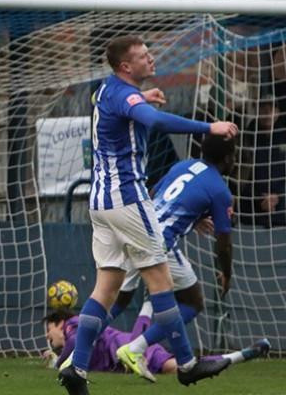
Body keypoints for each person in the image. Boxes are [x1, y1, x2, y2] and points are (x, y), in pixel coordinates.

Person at [59, 35, 238, 395]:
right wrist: (209, 127)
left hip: (100, 202)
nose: (151, 59)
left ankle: (76, 367)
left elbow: (128, 109)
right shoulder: (126, 97)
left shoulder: (104, 91)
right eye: (143, 56)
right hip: (128, 198)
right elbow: (153, 123)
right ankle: (187, 364)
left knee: (106, 287)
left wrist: (142, 99)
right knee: (161, 281)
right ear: (126, 66)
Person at [110, 135, 236, 382]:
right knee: (192, 302)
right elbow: (224, 243)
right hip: (159, 243)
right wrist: (227, 273)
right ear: (229, 157)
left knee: (116, 300)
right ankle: (141, 350)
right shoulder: (220, 190)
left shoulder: (184, 165)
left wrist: (193, 215)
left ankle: (75, 354)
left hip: (136, 228)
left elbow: (153, 193)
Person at [43, 306, 270, 377]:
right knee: (181, 368)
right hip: (136, 355)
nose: (48, 336)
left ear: (58, 322)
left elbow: (74, 343)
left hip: (122, 350)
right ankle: (239, 355)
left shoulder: (73, 323)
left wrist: (58, 364)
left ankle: (148, 305)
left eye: (48, 330)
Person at [240, 99, 286, 227]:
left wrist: (278, 196)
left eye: (271, 109)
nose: (268, 113)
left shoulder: (283, 135)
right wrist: (259, 198)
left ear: (277, 112)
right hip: (251, 211)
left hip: (281, 209)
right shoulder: (247, 137)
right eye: (263, 109)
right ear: (257, 111)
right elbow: (239, 175)